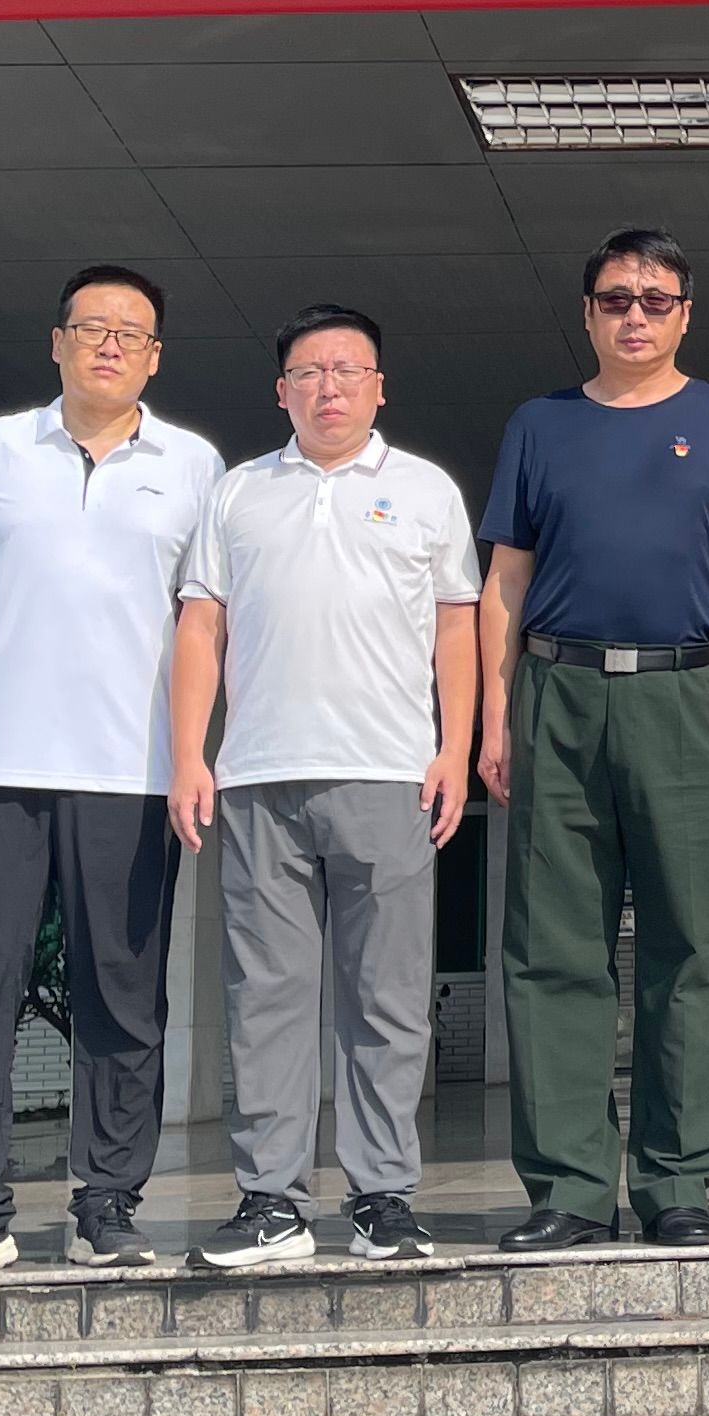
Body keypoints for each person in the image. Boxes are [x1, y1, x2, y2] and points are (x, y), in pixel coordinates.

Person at [479, 230, 709, 1254]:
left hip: (687, 690)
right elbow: (506, 581)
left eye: (657, 300)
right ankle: (569, 1186)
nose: (635, 315)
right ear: (586, 311)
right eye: (616, 297)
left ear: (685, 315)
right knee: (553, 946)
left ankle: (676, 1180)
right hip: (558, 689)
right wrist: (495, 713)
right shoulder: (540, 424)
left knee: (690, 943)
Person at [0, 266, 223, 1286]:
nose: (110, 344)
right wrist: (11, 655)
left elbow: (203, 616)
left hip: (129, 768)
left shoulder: (194, 465)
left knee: (123, 995)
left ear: (155, 357)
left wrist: (187, 750)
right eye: (92, 327)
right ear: (57, 343)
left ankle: (107, 1204)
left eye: (132, 332)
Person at [168, 303, 479, 1270]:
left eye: (348, 370)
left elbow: (457, 627)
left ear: (380, 387)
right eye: (309, 372)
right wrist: (189, 755)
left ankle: (384, 1198)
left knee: (387, 996)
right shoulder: (238, 493)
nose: (329, 387)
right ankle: (271, 1200)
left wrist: (456, 748)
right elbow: (201, 627)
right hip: (259, 776)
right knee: (265, 995)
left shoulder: (426, 491)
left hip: (389, 775)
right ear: (282, 391)